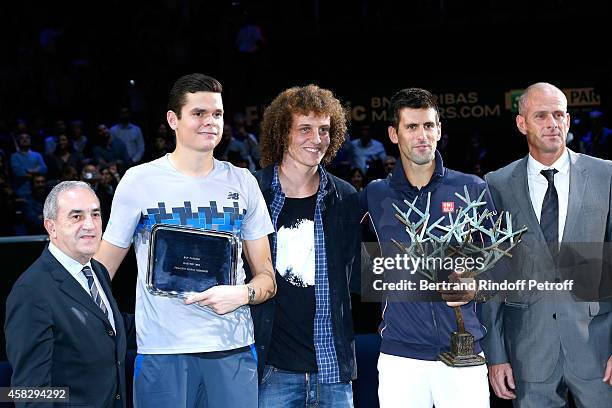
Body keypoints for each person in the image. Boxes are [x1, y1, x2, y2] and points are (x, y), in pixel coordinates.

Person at [94, 73, 276, 408]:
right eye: (199, 113)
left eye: (217, 114)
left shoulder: (243, 182)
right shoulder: (139, 181)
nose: (210, 122)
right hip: (163, 351)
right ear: (173, 119)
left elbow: (267, 278)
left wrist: (244, 293)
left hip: (231, 348)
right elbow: (101, 271)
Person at [480, 82, 612, 407]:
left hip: (596, 347)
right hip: (528, 349)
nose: (553, 123)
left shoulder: (605, 175)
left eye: (559, 115)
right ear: (522, 124)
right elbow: (492, 276)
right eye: (541, 116)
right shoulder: (496, 185)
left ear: (568, 120)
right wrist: (496, 355)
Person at [361, 88, 492, 407]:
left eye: (429, 125)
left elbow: (499, 263)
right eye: (411, 127)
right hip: (399, 358)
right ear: (394, 134)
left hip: (463, 353)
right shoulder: (375, 195)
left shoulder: (471, 188)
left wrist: (476, 284)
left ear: (440, 130)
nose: (422, 135)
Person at [253, 84, 361, 407]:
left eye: (324, 130)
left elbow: (354, 279)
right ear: (283, 132)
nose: (317, 139)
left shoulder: (345, 198)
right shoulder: (253, 193)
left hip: (332, 372)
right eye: (305, 129)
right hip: (271, 372)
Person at [5, 181, 135, 407]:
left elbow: (111, 328)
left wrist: (173, 313)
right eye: (76, 217)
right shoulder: (31, 291)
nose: (90, 225)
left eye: (95, 214)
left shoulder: (97, 271)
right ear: (51, 227)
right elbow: (29, 392)